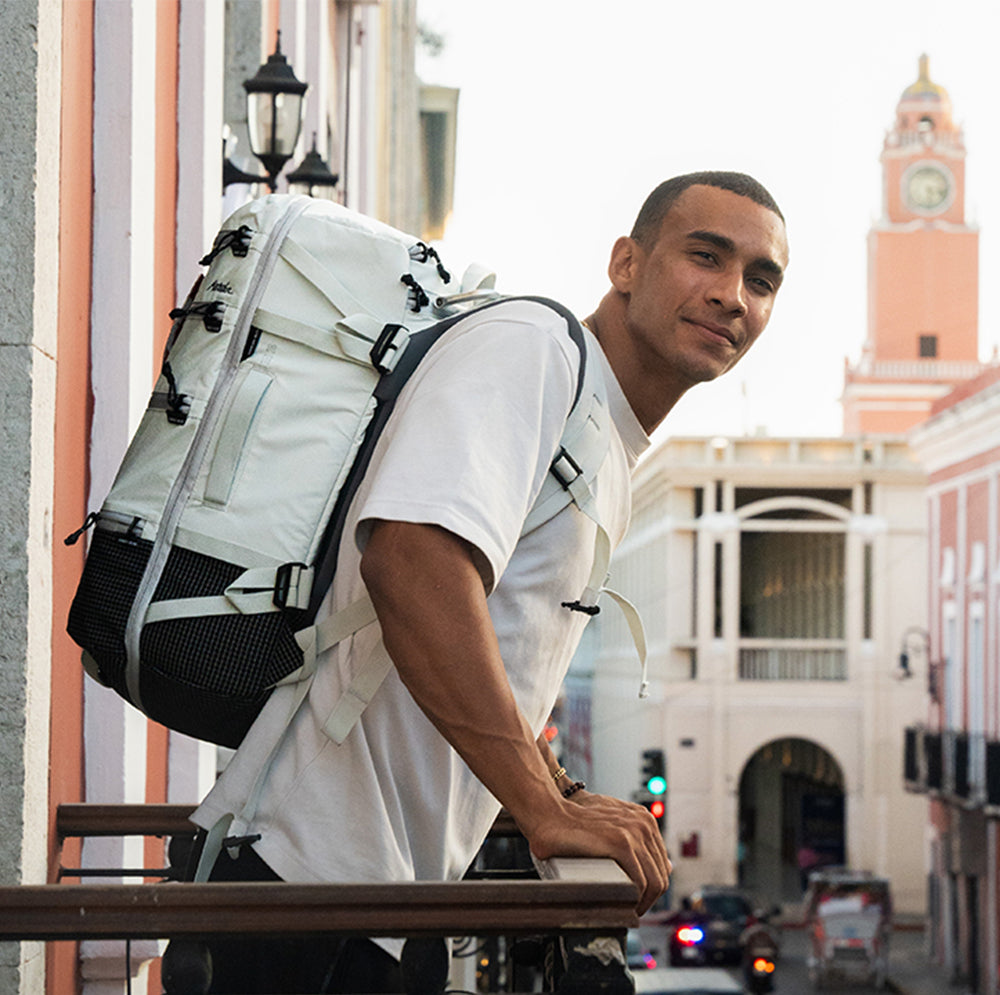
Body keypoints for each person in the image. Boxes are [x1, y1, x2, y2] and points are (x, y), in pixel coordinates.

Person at [190, 170, 789, 993]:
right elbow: (412, 563)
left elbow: (498, 640)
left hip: (387, 904)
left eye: (761, 279)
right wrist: (543, 811)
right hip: (305, 886)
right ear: (626, 263)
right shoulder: (535, 351)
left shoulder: (605, 436)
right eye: (705, 256)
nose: (732, 295)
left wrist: (560, 787)